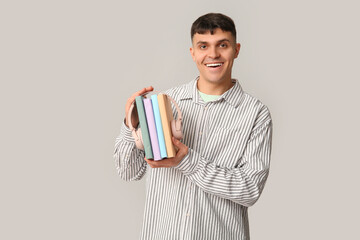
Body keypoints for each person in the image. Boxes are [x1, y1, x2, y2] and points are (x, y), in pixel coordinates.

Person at [114, 13, 273, 240]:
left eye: (223, 45)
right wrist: (131, 123)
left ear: (236, 50)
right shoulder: (165, 102)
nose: (213, 54)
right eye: (203, 46)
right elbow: (128, 172)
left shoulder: (256, 114)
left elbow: (249, 189)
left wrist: (187, 162)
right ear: (193, 53)